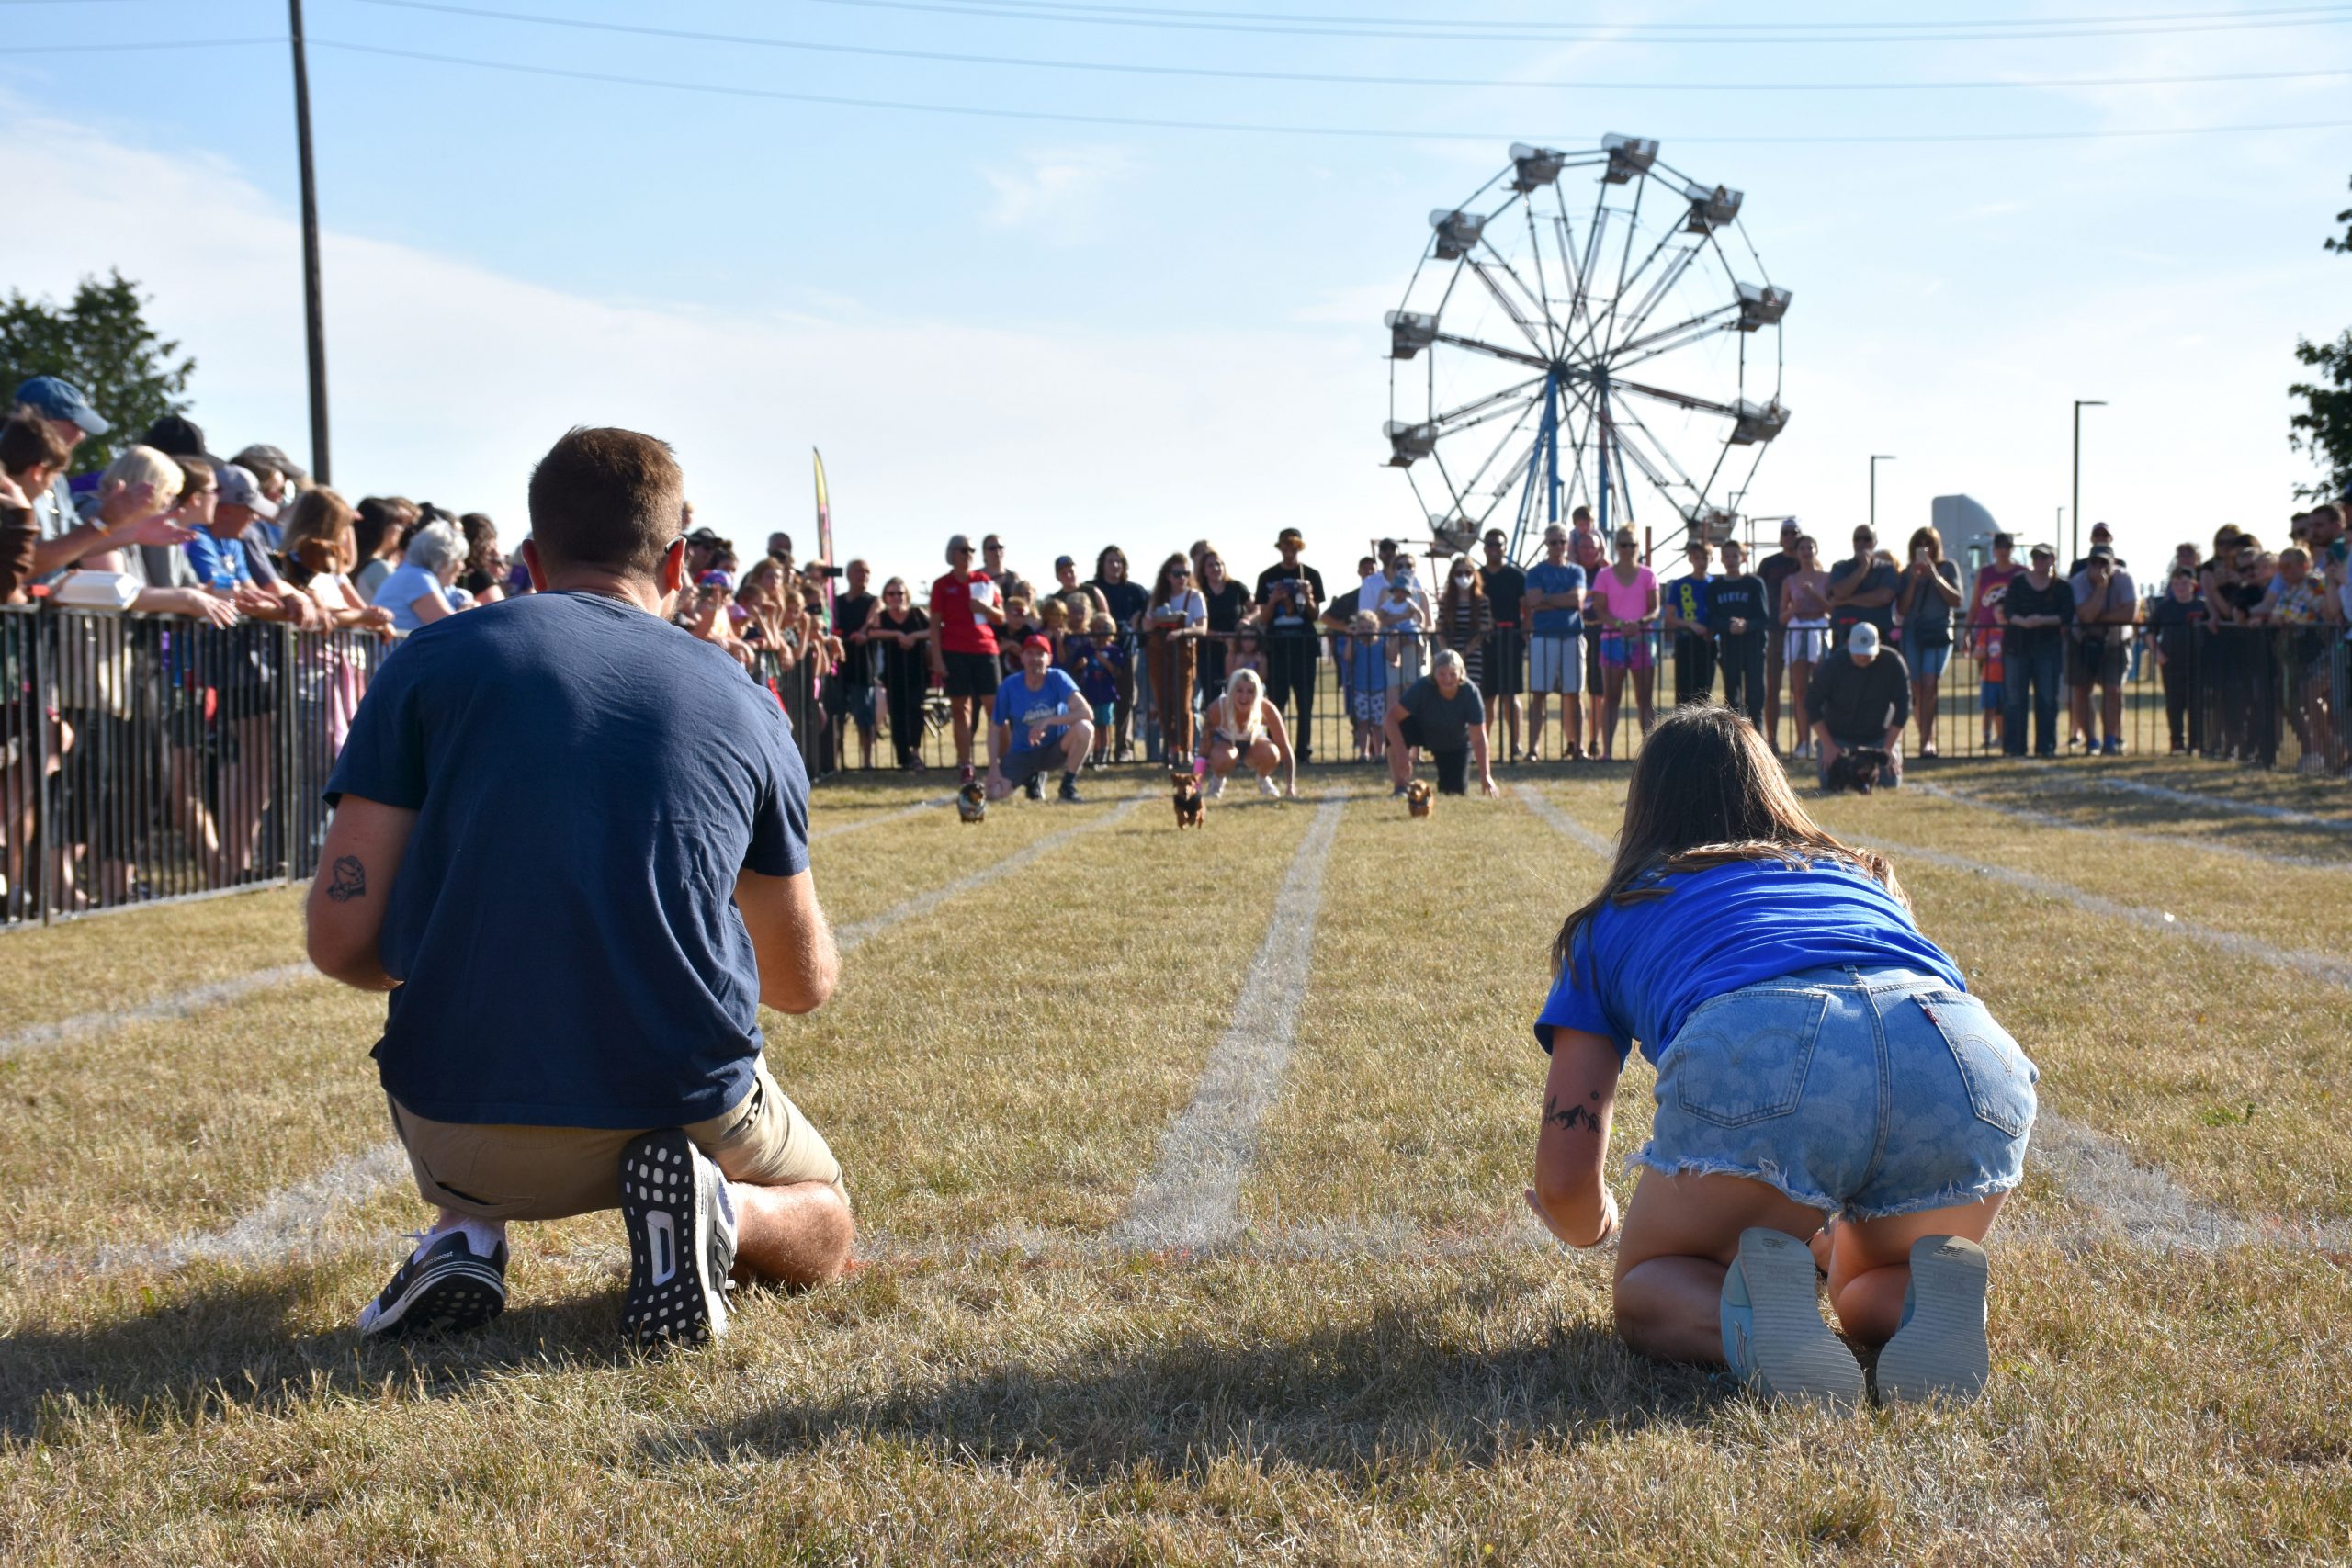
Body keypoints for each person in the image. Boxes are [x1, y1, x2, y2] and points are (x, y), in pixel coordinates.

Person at [308, 425, 850, 1347]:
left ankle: (465, 1232)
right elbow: (800, 984)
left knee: (482, 1026)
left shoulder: (430, 661)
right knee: (824, 1215)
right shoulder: (744, 702)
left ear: (530, 558)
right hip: (681, 1104)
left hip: (457, 1124)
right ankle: (721, 1207)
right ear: (675, 561)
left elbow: (341, 937)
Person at [1525, 704, 2034, 1404]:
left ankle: (1759, 1322)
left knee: (1649, 1282)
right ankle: (1923, 1300)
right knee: (1862, 1280)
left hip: (1771, 1037)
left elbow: (1564, 1180)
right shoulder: (1861, 873)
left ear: (1644, 807)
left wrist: (1597, 1224)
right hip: (1956, 1047)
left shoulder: (1618, 913)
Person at [926, 535, 1003, 782]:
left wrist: (985, 608)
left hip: (985, 651)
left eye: (971, 550)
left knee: (995, 708)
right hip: (955, 651)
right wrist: (937, 659)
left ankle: (1003, 762)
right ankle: (965, 764)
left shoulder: (984, 581)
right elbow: (935, 625)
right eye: (963, 550)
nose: (968, 554)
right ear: (952, 554)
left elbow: (1001, 617)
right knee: (961, 709)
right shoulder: (941, 585)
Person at [988, 634, 1093, 804]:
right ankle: (1032, 778)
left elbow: (1086, 713)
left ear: (1049, 659)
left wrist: (1047, 721)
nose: (1035, 659)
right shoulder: (1009, 685)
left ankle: (1068, 787)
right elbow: (994, 728)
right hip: (1022, 753)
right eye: (1029, 653)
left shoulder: (1058, 678)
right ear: (1021, 658)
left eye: (1040, 653)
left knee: (1085, 728)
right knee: (994, 793)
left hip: (1055, 749)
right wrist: (993, 768)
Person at [1804, 622, 1910, 790]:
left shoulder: (1894, 663)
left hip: (1878, 738)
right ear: (1848, 645)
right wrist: (1828, 745)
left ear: (1878, 645)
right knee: (1828, 782)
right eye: (1858, 652)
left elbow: (1903, 708)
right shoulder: (1832, 666)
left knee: (1890, 781)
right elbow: (1811, 704)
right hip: (1838, 737)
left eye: (1867, 653)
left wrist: (1889, 747)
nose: (1862, 657)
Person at [1253, 528, 1325, 763]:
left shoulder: (1311, 575)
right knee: (1276, 703)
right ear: (1280, 547)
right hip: (1277, 649)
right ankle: (1275, 750)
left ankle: (1303, 751)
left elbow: (1315, 615)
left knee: (1305, 702)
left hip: (1304, 648)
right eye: (1285, 546)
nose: (1289, 551)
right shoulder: (1267, 576)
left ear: (1299, 548)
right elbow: (1263, 618)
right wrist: (1274, 599)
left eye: (1294, 547)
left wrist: (1308, 596)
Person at [1385, 647, 1497, 797]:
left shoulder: (1470, 693)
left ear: (1461, 674)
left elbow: (1479, 738)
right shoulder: (1422, 687)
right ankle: (1400, 786)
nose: (1447, 679)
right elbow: (1390, 718)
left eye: (1452, 674)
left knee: (1454, 792)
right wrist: (1402, 754)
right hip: (1425, 732)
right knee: (1399, 725)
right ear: (1434, 673)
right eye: (1442, 674)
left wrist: (1486, 776)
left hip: (1455, 743)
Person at [1895, 526, 1963, 760]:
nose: (1925, 548)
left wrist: (1935, 577)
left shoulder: (1948, 567)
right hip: (1913, 633)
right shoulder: (1907, 573)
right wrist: (1914, 581)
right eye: (1920, 544)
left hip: (1938, 632)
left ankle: (1927, 742)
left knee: (1929, 684)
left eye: (1929, 544)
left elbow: (1957, 600)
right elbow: (1902, 609)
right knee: (1916, 687)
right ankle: (1925, 735)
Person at [1998, 544, 2072, 759]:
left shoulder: (2062, 587)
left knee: (2047, 698)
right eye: (2036, 557)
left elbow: (2067, 615)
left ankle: (2045, 746)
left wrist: (2042, 620)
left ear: (2053, 560)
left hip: (2048, 648)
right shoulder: (2018, 582)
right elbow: (2008, 610)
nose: (2039, 561)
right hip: (2017, 646)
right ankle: (2014, 747)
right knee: (2014, 699)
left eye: (2044, 557)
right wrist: (2023, 622)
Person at [1589, 529, 1658, 760]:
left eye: (1632, 545)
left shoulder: (1648, 575)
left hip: (1643, 640)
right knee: (1611, 698)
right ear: (1616, 547)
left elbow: (1655, 608)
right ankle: (1607, 751)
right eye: (1623, 545)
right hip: (1613, 641)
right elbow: (1599, 608)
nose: (1628, 550)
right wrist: (1620, 624)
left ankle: (1650, 752)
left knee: (1645, 699)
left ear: (1638, 547)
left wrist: (1639, 623)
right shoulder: (1604, 576)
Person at [1522, 523, 1586, 761]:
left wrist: (1546, 599)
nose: (1558, 546)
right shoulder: (1535, 572)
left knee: (1574, 693)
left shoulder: (1576, 571)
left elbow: (1577, 600)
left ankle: (1578, 747)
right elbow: (1532, 601)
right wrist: (1563, 600)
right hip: (1543, 637)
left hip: (1572, 636)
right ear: (1546, 544)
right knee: (1538, 694)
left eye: (1562, 541)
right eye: (1553, 542)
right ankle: (1533, 749)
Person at [2068, 545, 2136, 755]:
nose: (2099, 567)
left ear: (2113, 564)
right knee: (2082, 689)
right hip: (2082, 640)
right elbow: (2085, 617)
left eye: (2104, 563)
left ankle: (2110, 740)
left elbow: (2129, 614)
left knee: (2113, 688)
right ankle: (2091, 741)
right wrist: (2101, 588)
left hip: (2115, 641)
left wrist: (2098, 618)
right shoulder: (2078, 582)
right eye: (2094, 562)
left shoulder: (2125, 579)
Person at [1140, 553, 1206, 761]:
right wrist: (1160, 621)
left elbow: (1202, 628)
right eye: (1177, 574)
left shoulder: (1194, 597)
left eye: (1186, 573)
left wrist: (1182, 631)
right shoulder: (1158, 597)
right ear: (1168, 575)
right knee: (1163, 703)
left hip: (1184, 652)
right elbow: (1146, 625)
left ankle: (1186, 750)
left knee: (1183, 704)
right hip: (1159, 653)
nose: (1182, 578)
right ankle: (1171, 749)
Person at [1965, 533, 2023, 752]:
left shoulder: (2021, 572)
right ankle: (1992, 736)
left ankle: (2008, 735)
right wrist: (1967, 633)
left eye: (2007, 546)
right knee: (1992, 696)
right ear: (1993, 549)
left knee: (2011, 693)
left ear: (2012, 549)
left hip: (2013, 638)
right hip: (1987, 638)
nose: (2003, 551)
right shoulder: (1985, 573)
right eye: (1999, 546)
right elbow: (1974, 607)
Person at [1201, 665, 1295, 798]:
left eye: (1250, 691)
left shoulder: (1267, 708)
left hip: (1253, 744)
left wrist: (1290, 785)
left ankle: (1263, 779)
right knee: (1223, 758)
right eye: (1239, 690)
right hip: (1224, 745)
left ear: (1257, 693)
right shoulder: (1217, 708)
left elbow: (1284, 746)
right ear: (1231, 691)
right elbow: (1204, 749)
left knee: (1273, 753)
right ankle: (1217, 781)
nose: (1244, 697)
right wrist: (1196, 784)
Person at [1090, 546, 1148, 761]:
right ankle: (1096, 750)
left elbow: (1150, 609)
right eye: (1110, 561)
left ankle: (1123, 749)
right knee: (1095, 700)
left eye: (1119, 561)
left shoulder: (1136, 591)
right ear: (1102, 564)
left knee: (1126, 699)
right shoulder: (1093, 589)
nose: (1115, 565)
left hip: (1126, 652)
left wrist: (1138, 617)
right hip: (1097, 654)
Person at [822, 559, 880, 770]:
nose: (863, 575)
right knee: (836, 718)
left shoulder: (873, 601)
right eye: (858, 571)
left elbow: (875, 616)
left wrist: (863, 632)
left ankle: (867, 761)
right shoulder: (836, 602)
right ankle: (834, 762)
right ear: (848, 574)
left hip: (863, 668)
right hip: (838, 669)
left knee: (865, 718)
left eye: (867, 571)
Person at [869, 576, 932, 770]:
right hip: (893, 673)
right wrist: (896, 634)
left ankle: (915, 753)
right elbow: (872, 632)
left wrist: (913, 636)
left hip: (917, 671)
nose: (896, 597)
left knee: (915, 709)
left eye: (900, 593)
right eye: (891, 593)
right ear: (886, 596)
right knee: (897, 714)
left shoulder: (917, 613)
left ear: (907, 595)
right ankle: (903, 757)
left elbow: (934, 630)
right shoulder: (882, 616)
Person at [1779, 535, 1831, 760]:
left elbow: (1833, 609)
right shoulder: (1789, 581)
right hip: (1798, 633)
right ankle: (1803, 741)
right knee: (1800, 691)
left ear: (1816, 550)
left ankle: (1824, 740)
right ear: (1796, 552)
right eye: (1802, 548)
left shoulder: (1826, 578)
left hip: (1820, 632)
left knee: (1823, 689)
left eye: (1810, 547)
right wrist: (1795, 608)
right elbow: (1781, 616)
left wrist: (1814, 596)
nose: (1807, 551)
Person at [1476, 529, 1527, 761]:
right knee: (1487, 697)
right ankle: (1483, 744)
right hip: (1485, 644)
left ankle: (1515, 744)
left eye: (1499, 544)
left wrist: (1524, 635)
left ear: (1505, 548)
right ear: (1484, 548)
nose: (1494, 548)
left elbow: (1526, 608)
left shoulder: (1516, 577)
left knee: (1510, 696)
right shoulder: (1477, 576)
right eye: (1490, 544)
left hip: (1511, 641)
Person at [1707, 538, 1769, 725]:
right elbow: (1713, 618)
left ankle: (1757, 737)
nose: (1731, 560)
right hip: (1729, 647)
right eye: (1727, 556)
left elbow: (1764, 618)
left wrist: (1746, 625)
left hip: (1754, 647)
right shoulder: (1715, 587)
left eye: (1735, 556)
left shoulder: (1755, 583)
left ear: (1742, 558)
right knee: (1732, 701)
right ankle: (1734, 738)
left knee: (1755, 700)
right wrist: (1729, 626)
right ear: (1722, 559)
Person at [2148, 564, 2207, 755]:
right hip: (2171, 662)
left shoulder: (2202, 606)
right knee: (2174, 704)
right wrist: (2158, 653)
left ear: (2193, 585)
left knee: (2196, 703)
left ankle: (2196, 741)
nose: (2180, 588)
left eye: (2184, 583)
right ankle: (2177, 742)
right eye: (2176, 584)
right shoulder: (2164, 608)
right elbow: (2150, 632)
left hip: (2197, 662)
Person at [1755, 519, 1804, 750]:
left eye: (1794, 532)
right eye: (1785, 533)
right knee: (1772, 687)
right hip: (1774, 631)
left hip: (1800, 629)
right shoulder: (1769, 564)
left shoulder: (1806, 562)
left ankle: (1803, 741)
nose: (1790, 536)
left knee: (1801, 689)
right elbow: (1758, 593)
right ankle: (1771, 741)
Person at [373, 521, 469, 635]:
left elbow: (459, 598)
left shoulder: (415, 574)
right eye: (459, 559)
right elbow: (449, 626)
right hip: (398, 646)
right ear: (444, 561)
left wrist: (467, 605)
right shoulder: (417, 577)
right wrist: (470, 612)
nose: (462, 566)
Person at [1662, 539, 1715, 707]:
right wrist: (1690, 625)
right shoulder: (1680, 585)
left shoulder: (1715, 584)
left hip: (1708, 643)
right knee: (1684, 693)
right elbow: (1669, 617)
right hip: (1685, 642)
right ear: (1690, 559)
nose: (1701, 562)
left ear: (1711, 559)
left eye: (1704, 558)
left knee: (1704, 693)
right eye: (1697, 558)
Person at [1435, 553, 1494, 705]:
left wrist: (1465, 652)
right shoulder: (1446, 601)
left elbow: (1482, 631)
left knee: (1470, 690)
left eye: (1468, 572)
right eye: (1459, 573)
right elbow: (1439, 629)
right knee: (1448, 691)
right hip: (1450, 650)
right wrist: (1448, 653)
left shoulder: (1482, 601)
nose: (1464, 576)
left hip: (1473, 653)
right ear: (1452, 575)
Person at [1827, 525, 1898, 649]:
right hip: (1845, 632)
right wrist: (1863, 567)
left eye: (1867, 539)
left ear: (1875, 542)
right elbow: (1840, 592)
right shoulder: (1840, 567)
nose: (1861, 543)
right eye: (1857, 539)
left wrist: (1847, 600)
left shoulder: (1887, 568)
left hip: (1879, 633)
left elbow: (1884, 597)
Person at [1195, 547, 1250, 700]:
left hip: (1236, 650)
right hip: (1208, 651)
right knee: (1213, 696)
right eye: (1210, 565)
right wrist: (1222, 636)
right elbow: (1195, 623)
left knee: (1237, 693)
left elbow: (1256, 608)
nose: (1216, 568)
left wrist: (1247, 620)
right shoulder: (1198, 592)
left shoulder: (1236, 587)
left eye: (1219, 564)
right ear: (1203, 570)